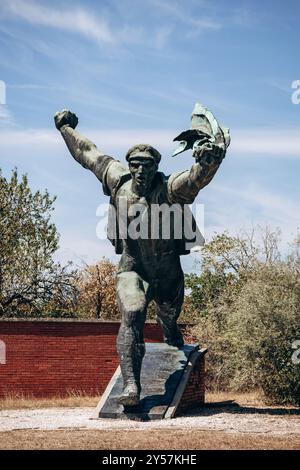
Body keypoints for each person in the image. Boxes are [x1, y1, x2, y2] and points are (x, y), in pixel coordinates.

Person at [54, 107, 228, 406]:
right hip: (133, 269)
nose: (141, 171)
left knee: (169, 318)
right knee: (132, 314)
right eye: (136, 164)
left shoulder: (167, 188)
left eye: (147, 165)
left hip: (167, 272)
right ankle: (132, 387)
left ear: (155, 168)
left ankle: (170, 330)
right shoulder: (117, 183)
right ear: (129, 166)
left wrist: (208, 162)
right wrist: (66, 129)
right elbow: (88, 153)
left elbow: (193, 180)